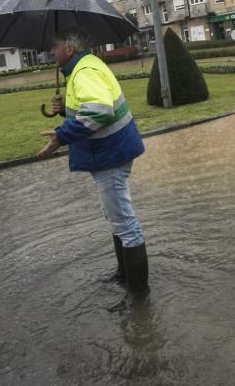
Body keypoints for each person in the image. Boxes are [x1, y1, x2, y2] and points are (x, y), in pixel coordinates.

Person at [36, 28, 149, 293]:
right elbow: (92, 105)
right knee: (115, 217)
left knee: (124, 222)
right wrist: (65, 109)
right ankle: (124, 277)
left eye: (55, 46)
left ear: (69, 49)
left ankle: (139, 297)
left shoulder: (84, 71)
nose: (51, 52)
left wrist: (62, 135)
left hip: (109, 155)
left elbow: (99, 112)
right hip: (109, 153)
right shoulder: (84, 67)